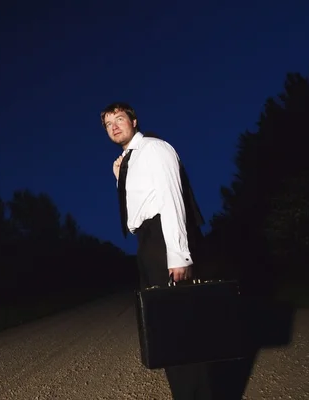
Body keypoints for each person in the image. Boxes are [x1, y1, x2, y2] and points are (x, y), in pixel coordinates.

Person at [100, 102, 212, 400]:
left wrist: (178, 254)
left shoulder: (153, 149)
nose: (113, 126)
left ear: (134, 121)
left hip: (164, 239)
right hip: (147, 243)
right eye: (108, 123)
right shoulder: (127, 161)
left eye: (119, 119)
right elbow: (138, 205)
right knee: (164, 330)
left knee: (182, 330)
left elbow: (170, 198)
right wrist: (118, 179)